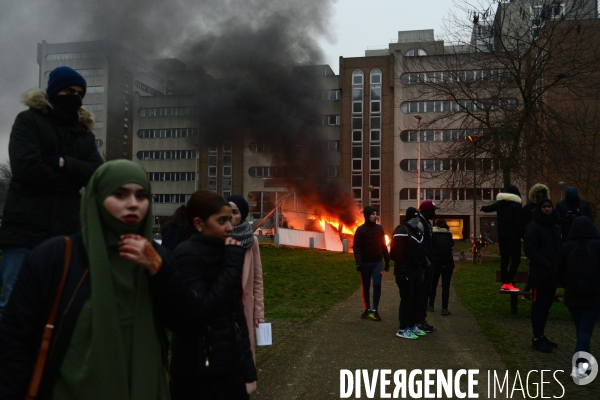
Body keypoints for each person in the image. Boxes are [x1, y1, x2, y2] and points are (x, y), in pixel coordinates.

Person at [0, 160, 171, 399]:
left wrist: (160, 270)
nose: (133, 204)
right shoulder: (55, 257)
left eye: (141, 196)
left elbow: (184, 319)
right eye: (120, 194)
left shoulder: (156, 257)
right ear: (96, 199)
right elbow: (16, 342)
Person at [0, 66, 103, 319]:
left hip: (65, 233)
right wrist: (72, 183)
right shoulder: (29, 121)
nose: (75, 97)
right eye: (69, 90)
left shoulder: (84, 134)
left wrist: (63, 163)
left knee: (60, 309)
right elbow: (26, 168)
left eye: (80, 93)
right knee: (13, 304)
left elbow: (97, 173)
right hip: (25, 230)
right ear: (55, 90)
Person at [167, 190, 257, 399]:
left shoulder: (225, 251)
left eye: (230, 219)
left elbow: (236, 314)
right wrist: (232, 266)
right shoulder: (187, 254)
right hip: (198, 370)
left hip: (230, 366)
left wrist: (247, 367)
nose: (229, 226)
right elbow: (203, 308)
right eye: (222, 220)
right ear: (199, 223)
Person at [227, 195, 265, 365]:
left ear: (242, 214)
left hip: (244, 305)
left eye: (234, 212)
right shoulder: (217, 239)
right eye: (226, 211)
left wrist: (258, 312)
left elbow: (257, 280)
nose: (230, 216)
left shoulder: (252, 242)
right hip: (222, 303)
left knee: (243, 348)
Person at [559, 217, 600, 369]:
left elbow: (559, 270)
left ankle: (584, 360)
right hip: (594, 294)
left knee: (581, 328)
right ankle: (581, 365)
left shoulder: (566, 247)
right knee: (585, 330)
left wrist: (567, 284)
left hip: (572, 294)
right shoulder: (597, 246)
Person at [524, 198, 561, 353]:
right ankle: (537, 337)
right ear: (539, 209)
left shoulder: (553, 226)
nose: (547, 209)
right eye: (544, 207)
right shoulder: (533, 227)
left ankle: (541, 334)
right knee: (539, 306)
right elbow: (531, 250)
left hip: (552, 274)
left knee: (546, 306)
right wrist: (547, 264)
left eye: (549, 206)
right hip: (540, 274)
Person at [391, 207, 427, 339]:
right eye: (413, 217)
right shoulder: (401, 231)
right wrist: (403, 272)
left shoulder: (418, 232)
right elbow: (397, 254)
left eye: (417, 217)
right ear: (408, 217)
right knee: (406, 300)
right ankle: (402, 328)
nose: (416, 220)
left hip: (417, 270)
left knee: (416, 299)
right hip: (406, 271)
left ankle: (412, 325)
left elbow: (421, 251)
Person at [481, 186, 523, 291]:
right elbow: (518, 222)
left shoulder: (500, 204)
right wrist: (522, 235)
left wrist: (482, 208)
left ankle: (504, 283)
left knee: (504, 259)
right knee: (516, 259)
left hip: (502, 235)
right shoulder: (516, 205)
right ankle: (508, 282)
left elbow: (489, 208)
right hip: (513, 236)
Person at [353, 206, 390, 321]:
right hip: (365, 263)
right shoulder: (360, 230)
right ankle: (367, 309)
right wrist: (359, 263)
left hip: (377, 262)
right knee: (366, 286)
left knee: (377, 284)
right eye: (373, 214)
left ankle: (375, 310)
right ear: (367, 215)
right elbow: (357, 248)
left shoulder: (379, 229)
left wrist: (387, 261)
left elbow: (383, 245)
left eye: (376, 213)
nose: (375, 216)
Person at [522, 183, 549, 299]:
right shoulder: (528, 208)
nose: (540, 194)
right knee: (534, 265)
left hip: (545, 241)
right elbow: (524, 224)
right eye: (538, 192)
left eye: (542, 192)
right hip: (533, 240)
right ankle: (528, 291)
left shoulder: (547, 207)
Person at [417, 200, 438, 332]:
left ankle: (422, 320)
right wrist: (427, 262)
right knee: (422, 294)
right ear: (426, 211)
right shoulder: (421, 223)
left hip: (428, 264)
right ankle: (419, 321)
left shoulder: (426, 223)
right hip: (424, 265)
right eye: (432, 211)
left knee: (426, 293)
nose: (434, 213)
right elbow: (421, 246)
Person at [428, 219, 455, 316]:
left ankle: (431, 305)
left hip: (436, 262)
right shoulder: (448, 232)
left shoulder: (433, 232)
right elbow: (452, 244)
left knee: (433, 285)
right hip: (448, 263)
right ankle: (444, 308)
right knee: (446, 286)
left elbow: (430, 246)